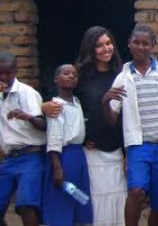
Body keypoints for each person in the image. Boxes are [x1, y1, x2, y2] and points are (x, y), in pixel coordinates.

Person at [102, 24, 158, 226]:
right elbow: (113, 119)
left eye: (145, 43)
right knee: (136, 190)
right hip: (139, 146)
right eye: (136, 42)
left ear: (153, 45)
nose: (140, 47)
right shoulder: (123, 77)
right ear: (129, 44)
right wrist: (105, 102)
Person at [43, 26, 126, 226]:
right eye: (99, 45)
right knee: (94, 202)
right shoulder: (80, 77)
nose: (106, 49)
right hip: (91, 151)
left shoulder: (122, 74)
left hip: (117, 151)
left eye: (108, 43)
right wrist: (44, 106)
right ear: (90, 49)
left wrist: (128, 151)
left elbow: (128, 116)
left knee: (119, 199)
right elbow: (66, 105)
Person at [43, 64, 93, 226]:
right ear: (56, 79)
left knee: (78, 197)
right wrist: (57, 167)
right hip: (64, 158)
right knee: (62, 198)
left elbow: (76, 128)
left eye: (74, 75)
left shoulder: (76, 102)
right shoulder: (56, 105)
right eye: (66, 73)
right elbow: (54, 137)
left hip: (78, 156)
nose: (71, 76)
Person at [0, 51, 46, 226]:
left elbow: (43, 124)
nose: (4, 77)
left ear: (15, 71)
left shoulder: (26, 93)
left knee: (26, 205)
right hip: (9, 158)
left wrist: (27, 116)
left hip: (30, 156)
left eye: (8, 73)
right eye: (0, 73)